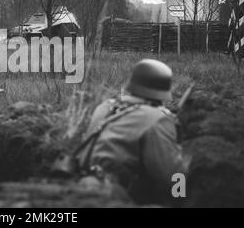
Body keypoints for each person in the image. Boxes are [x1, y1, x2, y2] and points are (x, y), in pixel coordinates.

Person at [75, 59, 188, 204]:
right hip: (115, 197)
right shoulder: (157, 118)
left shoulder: (105, 107)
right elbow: (172, 177)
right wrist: (184, 195)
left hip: (83, 185)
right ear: (162, 94)